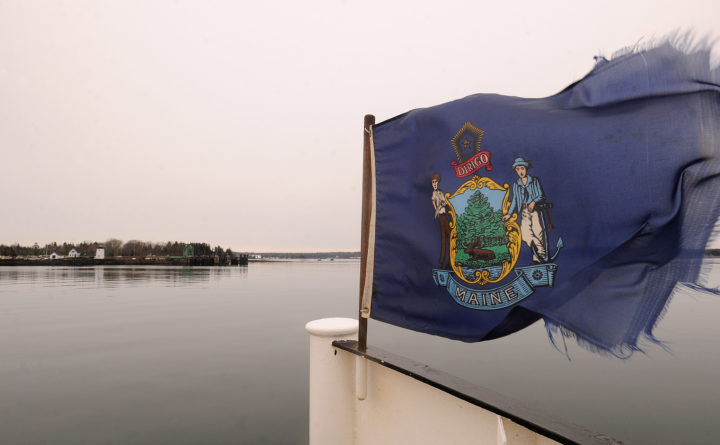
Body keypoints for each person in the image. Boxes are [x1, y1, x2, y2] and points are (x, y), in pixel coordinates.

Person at [503, 157, 548, 264]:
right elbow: (514, 200)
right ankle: (541, 253)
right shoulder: (516, 184)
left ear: (526, 168)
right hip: (524, 212)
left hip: (536, 210)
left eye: (522, 168)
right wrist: (509, 214)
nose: (520, 171)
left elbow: (541, 195)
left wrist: (533, 202)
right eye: (518, 169)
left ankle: (537, 259)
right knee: (525, 234)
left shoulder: (534, 181)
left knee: (538, 232)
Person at [431, 173, 451, 269]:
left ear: (438, 182)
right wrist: (436, 210)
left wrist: (442, 203)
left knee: (449, 237)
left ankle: (451, 260)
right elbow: (433, 201)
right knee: (444, 238)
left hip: (445, 215)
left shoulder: (441, 192)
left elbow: (445, 202)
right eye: (433, 182)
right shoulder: (434, 193)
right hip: (441, 217)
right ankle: (442, 261)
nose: (434, 184)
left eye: (435, 182)